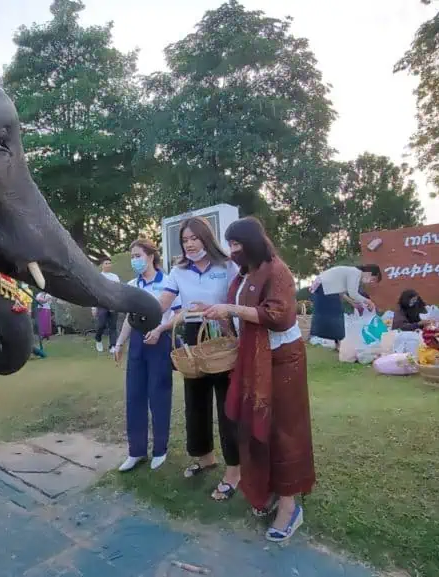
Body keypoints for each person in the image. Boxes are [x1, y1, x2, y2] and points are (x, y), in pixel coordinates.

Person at [201, 217, 314, 543]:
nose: (233, 251)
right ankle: (266, 490)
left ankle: (290, 505)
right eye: (230, 245)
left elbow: (279, 316)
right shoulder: (244, 272)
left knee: (282, 430)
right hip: (253, 360)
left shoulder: (276, 270)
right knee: (254, 428)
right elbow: (239, 311)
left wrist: (230, 311)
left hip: (282, 362)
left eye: (237, 244)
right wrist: (218, 312)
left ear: (253, 241)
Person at [151, 217, 241, 501]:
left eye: (194, 238)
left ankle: (235, 471)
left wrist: (219, 311)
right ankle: (205, 457)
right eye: (185, 240)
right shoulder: (178, 271)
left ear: (206, 238)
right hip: (192, 334)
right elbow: (163, 302)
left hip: (222, 334)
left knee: (228, 405)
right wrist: (145, 312)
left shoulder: (227, 265)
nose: (189, 244)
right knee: (195, 400)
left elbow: (240, 301)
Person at [112, 235, 180, 472]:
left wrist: (161, 329)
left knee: (158, 395)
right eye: (132, 257)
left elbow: (178, 313)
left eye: (138, 256)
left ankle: (160, 449)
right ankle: (136, 451)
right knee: (135, 396)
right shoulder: (132, 286)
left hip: (160, 341)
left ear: (151, 256)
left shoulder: (168, 282)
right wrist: (119, 344)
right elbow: (129, 320)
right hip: (138, 344)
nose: (135, 261)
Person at [309, 264, 380, 347]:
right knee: (336, 316)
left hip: (322, 286)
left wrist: (353, 304)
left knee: (331, 314)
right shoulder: (356, 273)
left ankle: (336, 344)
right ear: (369, 273)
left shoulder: (352, 272)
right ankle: (338, 344)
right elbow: (353, 294)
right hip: (324, 287)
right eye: (373, 279)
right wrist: (370, 302)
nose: (370, 281)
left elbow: (341, 293)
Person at [93, 258, 121, 353]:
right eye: (106, 263)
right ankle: (98, 339)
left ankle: (112, 345)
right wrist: (94, 307)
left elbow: (118, 290)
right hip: (102, 304)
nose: (108, 265)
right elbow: (95, 292)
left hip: (113, 304)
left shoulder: (115, 277)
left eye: (110, 263)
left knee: (112, 326)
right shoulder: (98, 276)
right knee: (102, 324)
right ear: (102, 265)